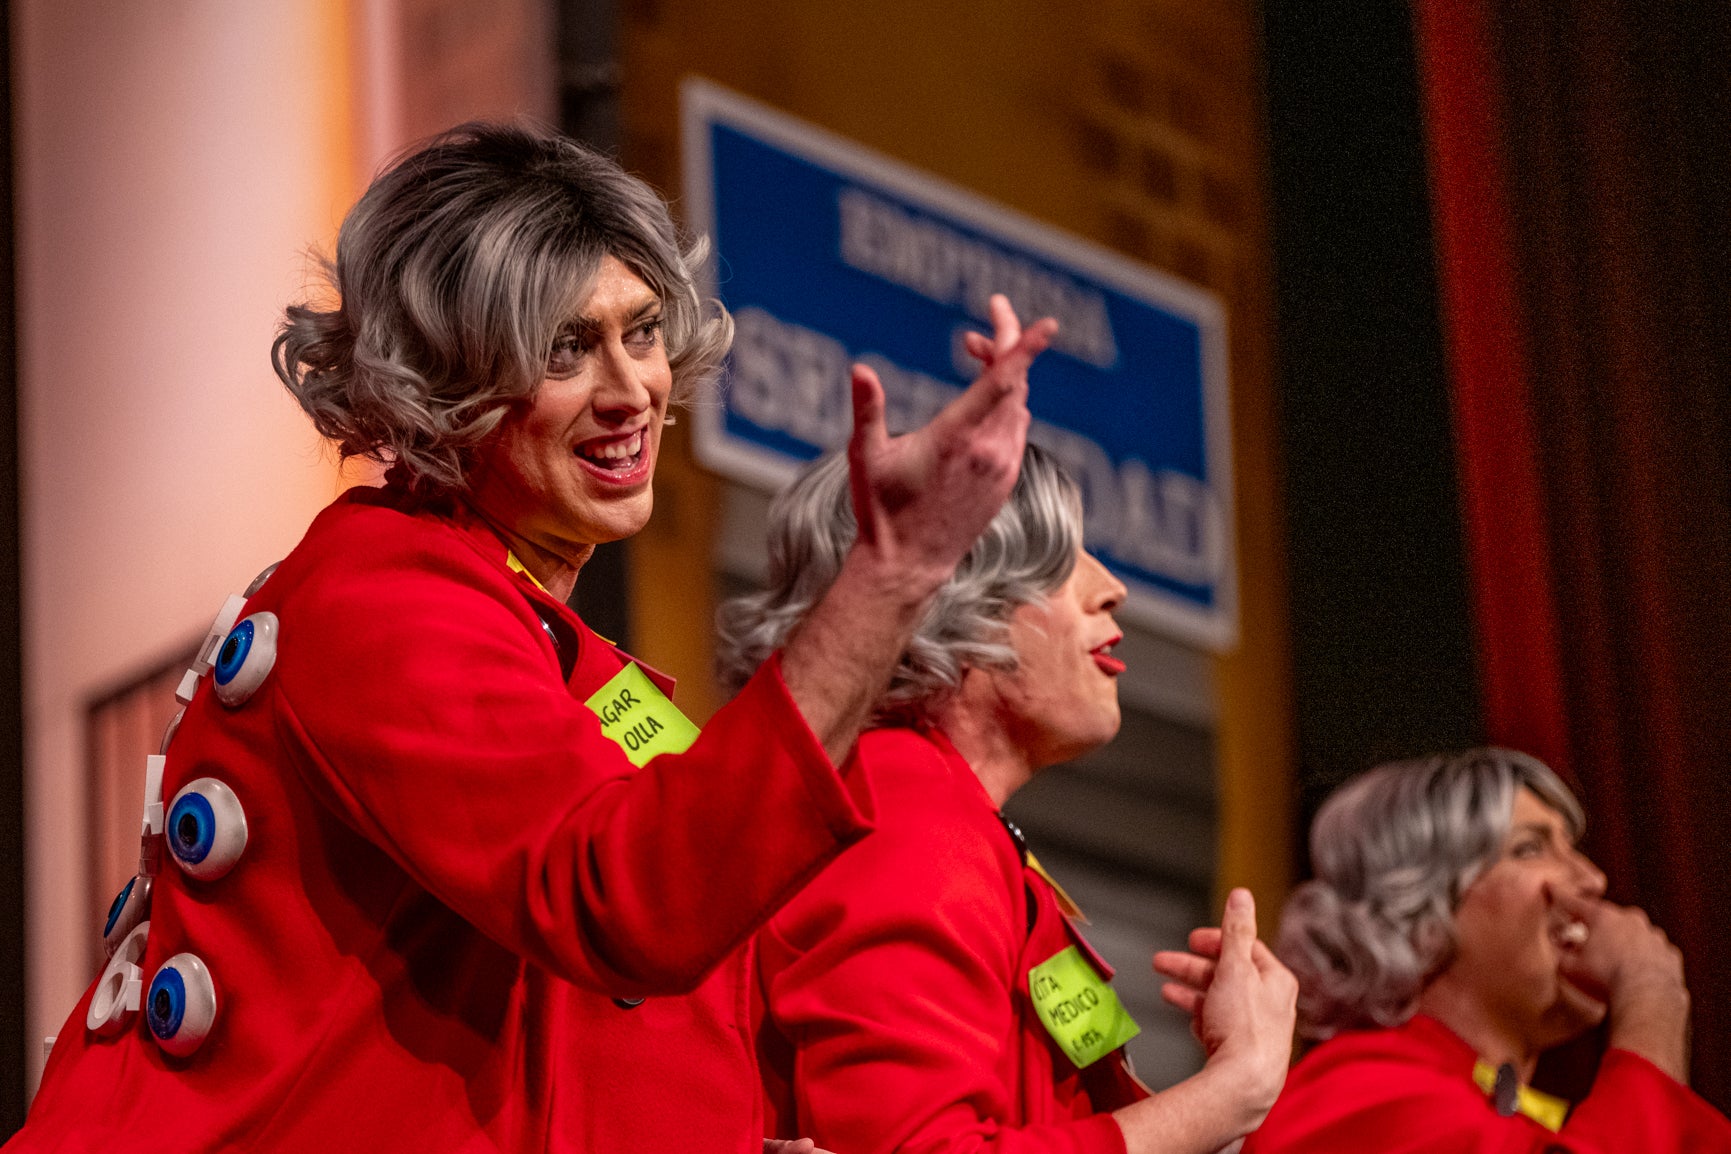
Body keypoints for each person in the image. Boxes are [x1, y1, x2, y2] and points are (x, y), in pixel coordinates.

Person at [10, 123, 1061, 1152]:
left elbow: (647, 1004)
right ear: (442, 381)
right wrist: (892, 573)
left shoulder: (560, 651)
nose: (631, 390)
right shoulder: (385, 596)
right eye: (567, 347)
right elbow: (628, 901)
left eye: (642, 331)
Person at [716, 443, 1298, 1154]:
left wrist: (1218, 1095)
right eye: (1057, 559)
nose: (1109, 586)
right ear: (943, 595)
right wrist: (1232, 1090)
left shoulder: (942, 819)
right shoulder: (905, 819)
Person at [1237, 748, 1731, 1153]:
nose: (1591, 879)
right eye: (1530, 848)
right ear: (1416, 911)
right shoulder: (1348, 1097)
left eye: (1572, 846)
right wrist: (1650, 1002)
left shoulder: (1525, 1118)